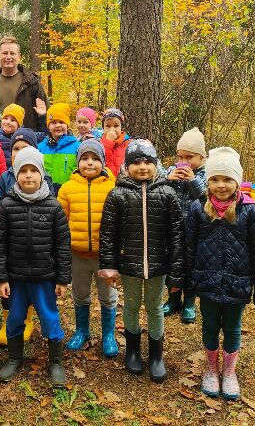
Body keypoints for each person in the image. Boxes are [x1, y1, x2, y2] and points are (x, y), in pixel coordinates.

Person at [186, 147, 255, 400]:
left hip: (238, 283)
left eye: (227, 179)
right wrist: (185, 283)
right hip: (207, 281)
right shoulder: (197, 209)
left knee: (232, 328)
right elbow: (188, 248)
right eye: (214, 179)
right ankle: (212, 369)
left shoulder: (252, 212)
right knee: (210, 325)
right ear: (207, 181)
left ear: (237, 181)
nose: (221, 185)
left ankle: (229, 372)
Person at [98, 139, 184, 383]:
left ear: (156, 165)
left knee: (155, 307)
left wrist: (177, 273)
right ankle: (132, 350)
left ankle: (156, 355)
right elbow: (108, 234)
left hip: (158, 265)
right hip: (129, 266)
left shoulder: (168, 193)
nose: (143, 167)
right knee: (132, 306)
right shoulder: (117, 195)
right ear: (127, 166)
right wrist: (108, 265)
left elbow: (177, 235)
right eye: (136, 162)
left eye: (148, 161)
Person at [0, 148, 71, 386]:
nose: (28, 176)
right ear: (16, 175)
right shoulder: (6, 205)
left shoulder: (53, 206)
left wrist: (62, 279)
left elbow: (63, 245)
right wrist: (1, 278)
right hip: (16, 278)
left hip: (44, 278)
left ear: (41, 174)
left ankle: (55, 362)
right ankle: (15, 357)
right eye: (23, 171)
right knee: (15, 318)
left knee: (49, 318)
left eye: (33, 171)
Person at [57, 140, 118, 357]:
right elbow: (60, 221)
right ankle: (82, 331)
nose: (89, 163)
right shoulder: (67, 189)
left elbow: (119, 221)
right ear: (78, 161)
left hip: (105, 255)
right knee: (80, 294)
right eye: (84, 158)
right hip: (77, 254)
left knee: (108, 295)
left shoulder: (112, 187)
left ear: (102, 161)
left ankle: (108, 335)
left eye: (95, 159)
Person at [164, 127, 208, 324]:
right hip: (172, 227)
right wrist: (167, 180)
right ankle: (173, 299)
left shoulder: (207, 176)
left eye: (189, 157)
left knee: (191, 264)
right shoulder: (171, 171)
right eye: (181, 156)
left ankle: (189, 302)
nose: (184, 162)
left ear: (201, 158)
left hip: (195, 229)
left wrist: (193, 181)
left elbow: (207, 198)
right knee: (172, 263)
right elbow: (159, 191)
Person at [0, 36, 49, 130]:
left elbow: (45, 113)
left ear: (19, 56)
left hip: (24, 140)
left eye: (12, 53)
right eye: (5, 53)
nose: (8, 57)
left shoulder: (32, 82)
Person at [38, 103, 79, 192]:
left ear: (67, 125)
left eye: (61, 122)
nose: (58, 125)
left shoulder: (77, 147)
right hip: (46, 192)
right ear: (48, 126)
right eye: (53, 122)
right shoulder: (41, 148)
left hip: (69, 192)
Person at [0, 102, 47, 167]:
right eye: (5, 118)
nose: (8, 122)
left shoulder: (26, 136)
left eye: (13, 120)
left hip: (22, 172)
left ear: (19, 124)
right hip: (4, 175)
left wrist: (43, 117)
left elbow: (45, 135)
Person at [99, 108, 131, 177]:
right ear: (103, 128)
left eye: (116, 126)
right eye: (108, 126)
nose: (112, 129)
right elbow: (102, 163)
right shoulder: (98, 144)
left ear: (121, 127)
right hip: (106, 183)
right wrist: (108, 143)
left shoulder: (129, 144)